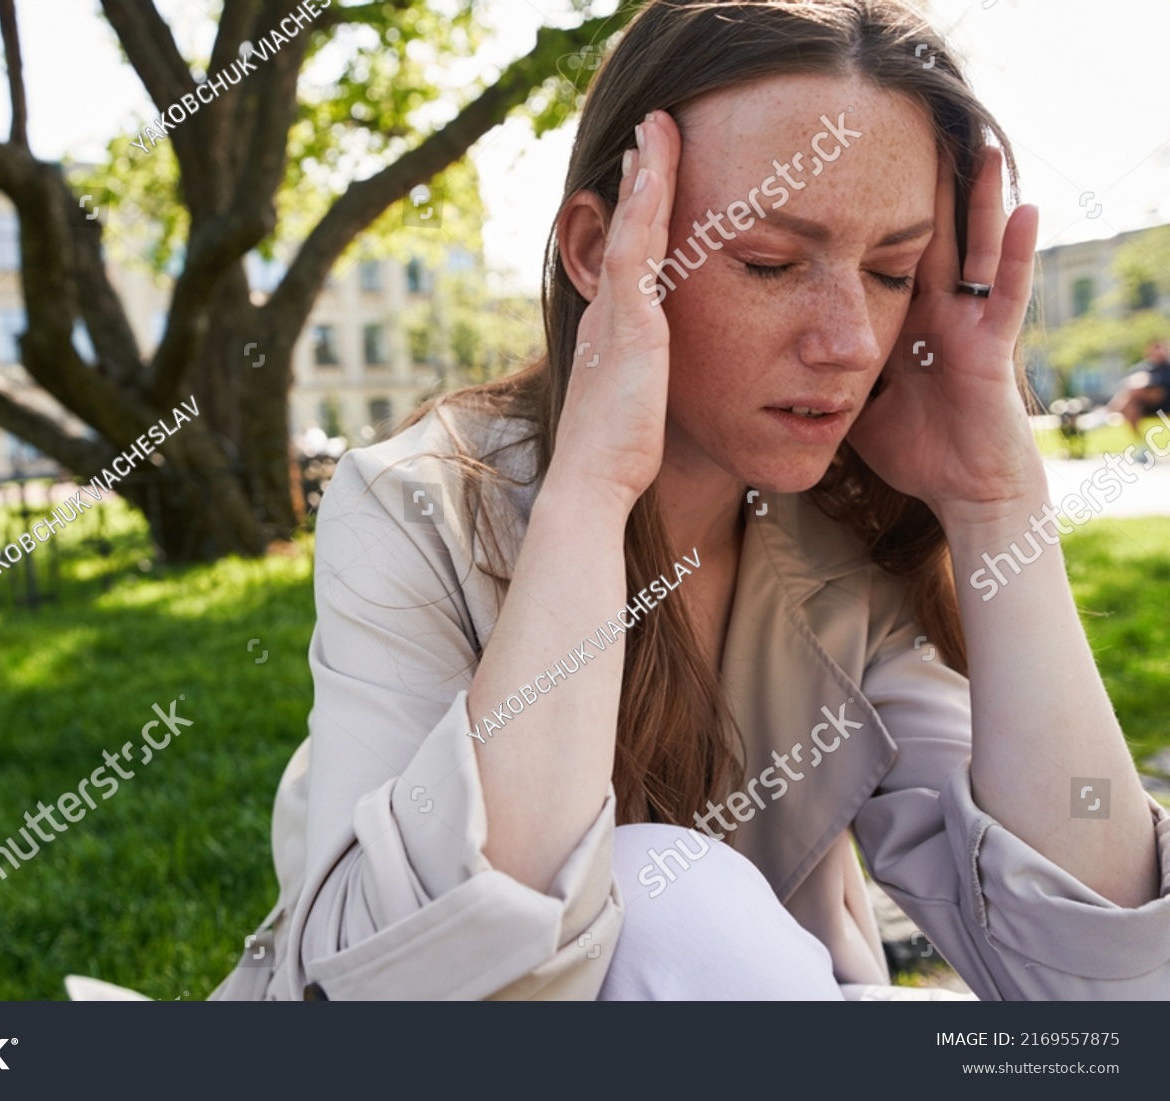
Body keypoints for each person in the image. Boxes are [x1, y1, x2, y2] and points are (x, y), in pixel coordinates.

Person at [208, 0, 1170, 1002]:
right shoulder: (418, 506)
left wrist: (995, 500)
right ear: (598, 250)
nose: (848, 340)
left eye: (891, 272)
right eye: (769, 261)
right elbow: (403, 992)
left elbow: (1110, 991)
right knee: (674, 903)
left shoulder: (841, 533)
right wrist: (592, 492)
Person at [1106, 339, 1170, 458]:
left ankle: (1108, 413)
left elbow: (1161, 387)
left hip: (1164, 402)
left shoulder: (1167, 368)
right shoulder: (1142, 367)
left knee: (1138, 391)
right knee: (1130, 405)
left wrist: (1147, 382)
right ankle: (1141, 446)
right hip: (1145, 406)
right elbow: (1127, 384)